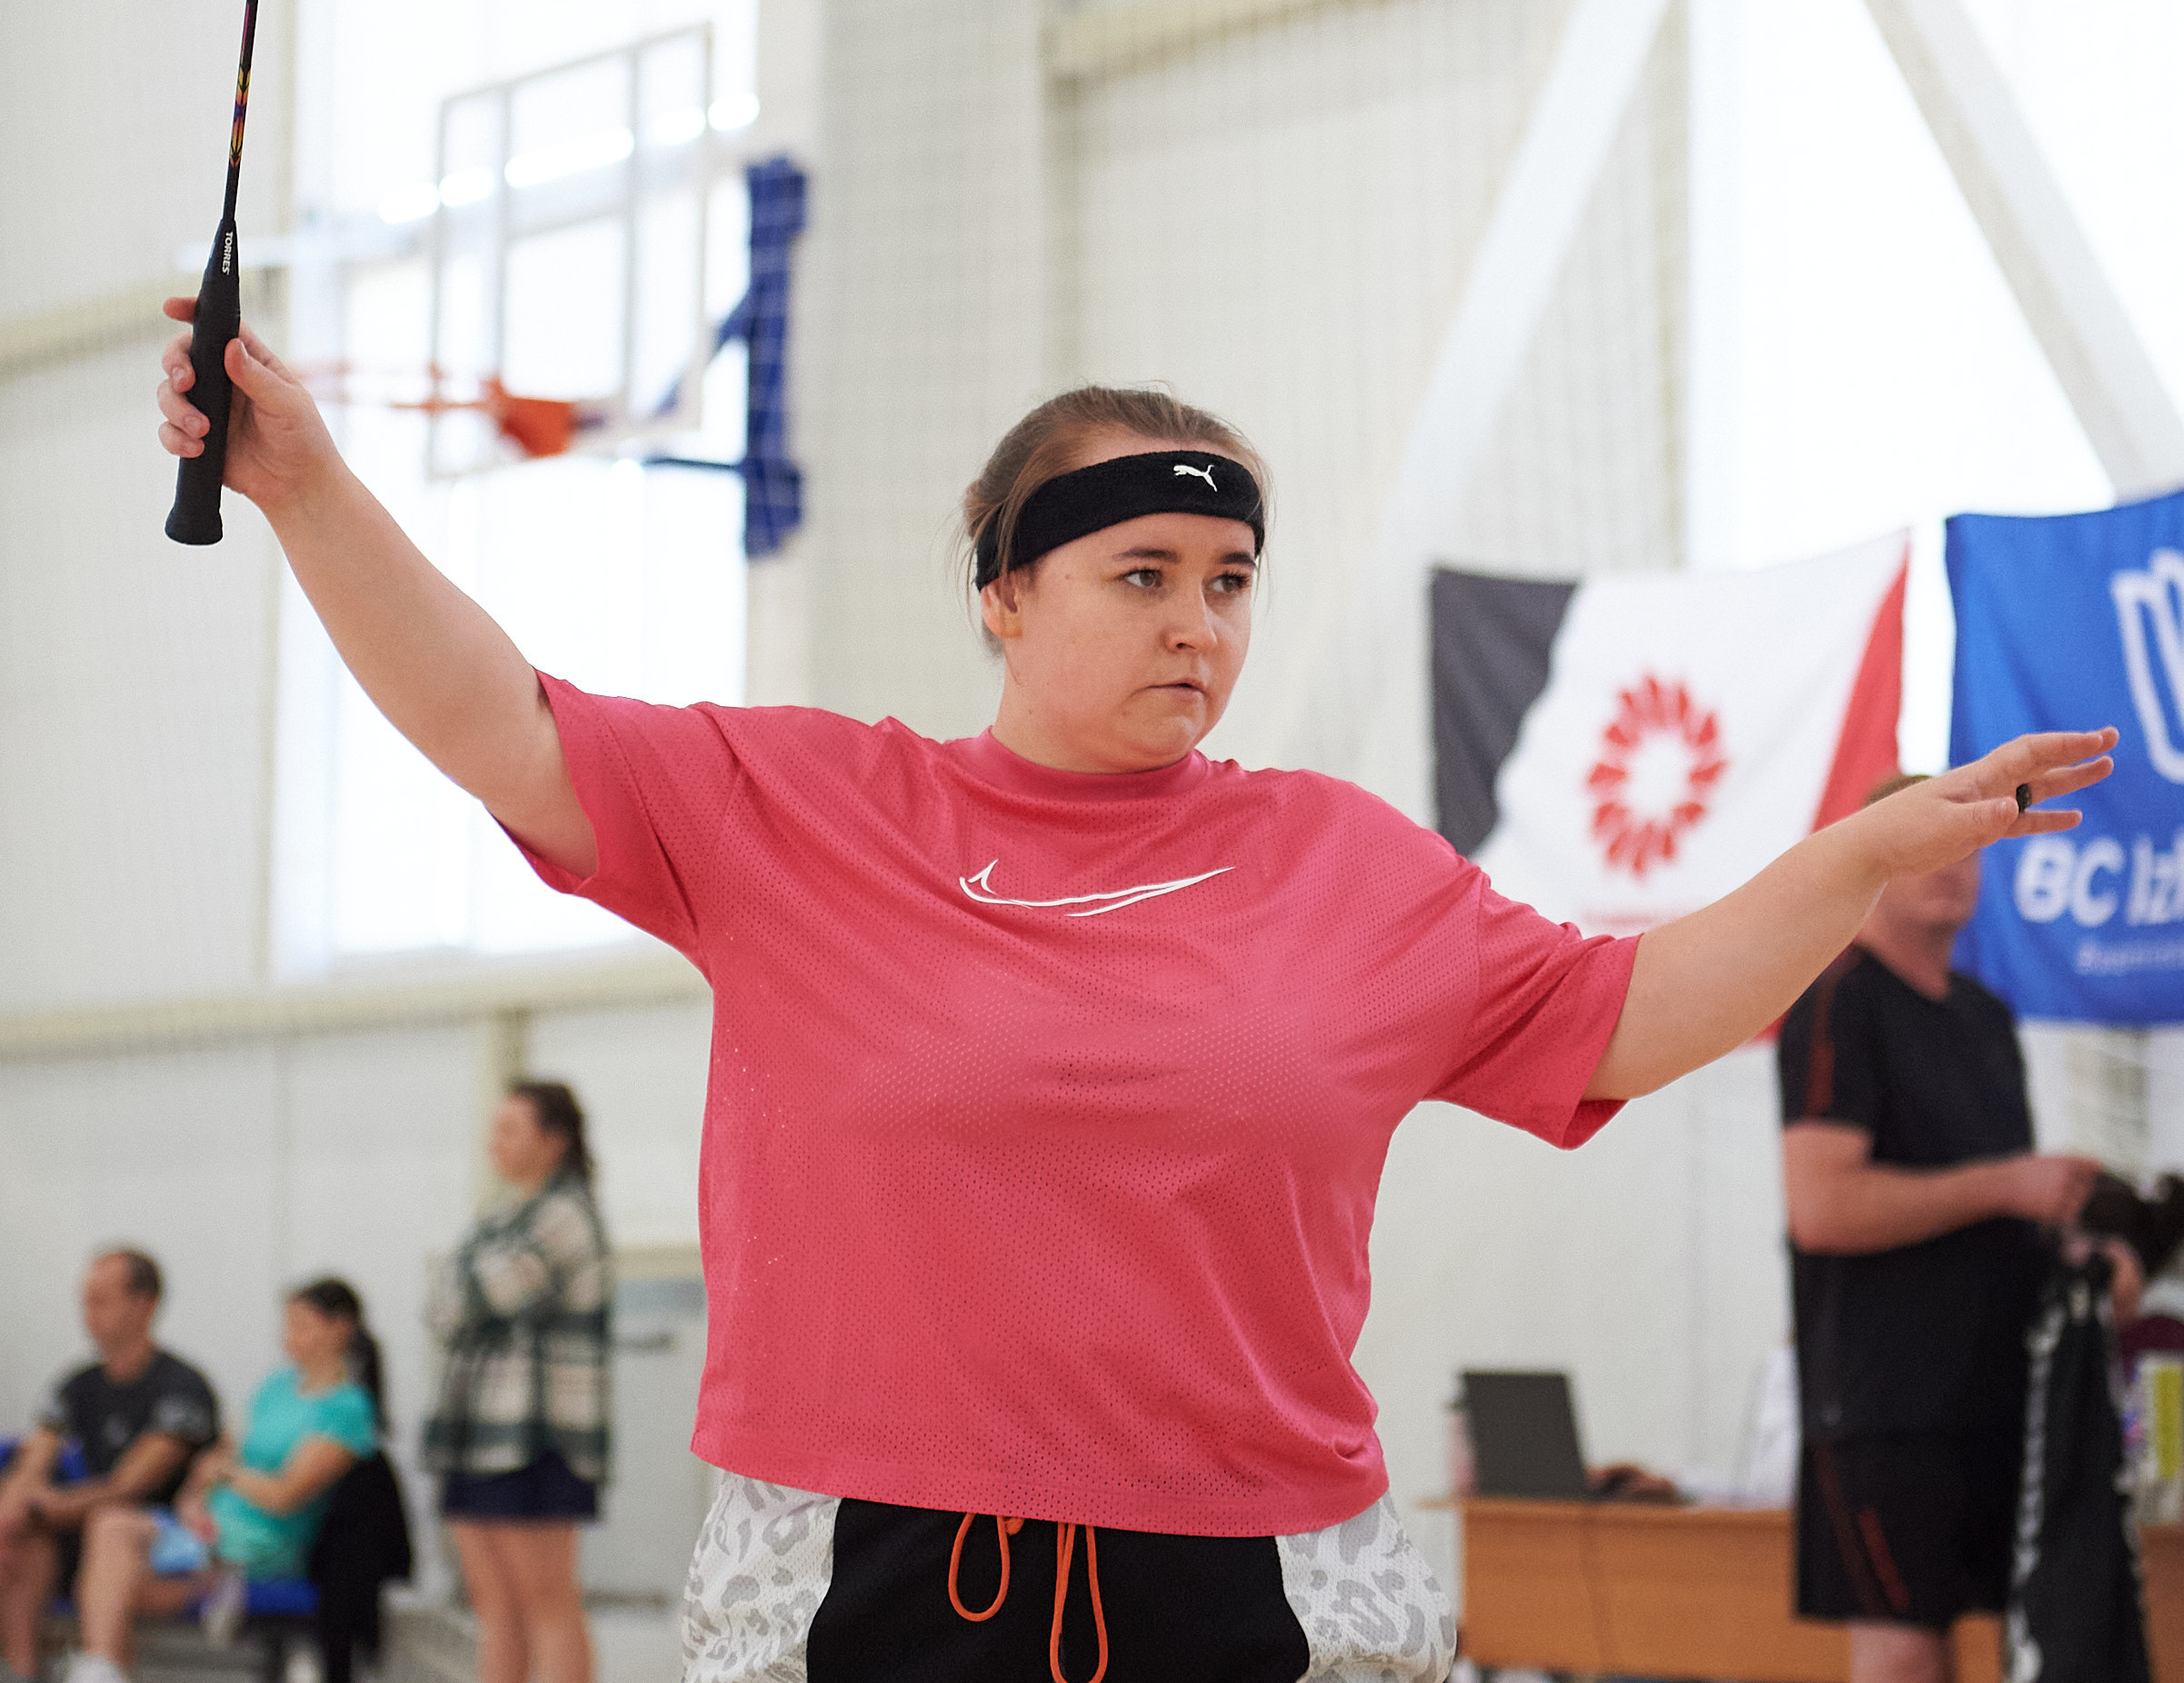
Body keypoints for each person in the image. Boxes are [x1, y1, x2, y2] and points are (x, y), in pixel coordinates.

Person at [155, 311, 2117, 1682]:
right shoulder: (803, 808)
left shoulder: (1346, 862)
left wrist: (1852, 855)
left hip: (1265, 1569)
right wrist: (304, 483)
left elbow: (1625, 1012)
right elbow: (497, 720)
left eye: (1230, 578)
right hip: (866, 1571)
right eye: (1143, 573)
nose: (1199, 621)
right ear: (1005, 596)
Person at [1777, 772, 2143, 1683]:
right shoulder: (1836, 1000)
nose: (1952, 865)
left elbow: (2002, 1215)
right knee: (1905, 1647)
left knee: (2025, 1641)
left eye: (1969, 845)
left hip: (1992, 1396)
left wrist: (2082, 1255)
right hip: (1883, 1410)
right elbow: (1822, 1208)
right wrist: (2006, 1184)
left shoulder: (1984, 1017)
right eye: (1929, 842)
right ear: (1877, 855)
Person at [65, 1280, 381, 1683]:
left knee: (109, 1581)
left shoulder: (347, 1407)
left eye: (303, 1325)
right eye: (287, 1324)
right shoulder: (275, 1386)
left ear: (340, 1328)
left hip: (263, 1545)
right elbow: (216, 1457)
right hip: (207, 1529)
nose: (290, 1336)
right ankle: (103, 1668)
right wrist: (192, 1501)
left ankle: (106, 1663)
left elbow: (285, 1494)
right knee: (109, 1538)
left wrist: (229, 1474)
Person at [424, 1081, 610, 1683]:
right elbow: (439, 1309)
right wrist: (457, 1290)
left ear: (554, 1141)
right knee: (493, 1605)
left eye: (510, 1129)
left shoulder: (566, 1214)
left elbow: (475, 1296)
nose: (494, 1142)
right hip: (474, 1430)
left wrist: (458, 1286)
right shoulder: (499, 1217)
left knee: (546, 1601)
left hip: (537, 1435)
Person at [0, 1250, 218, 1683]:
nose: (88, 1312)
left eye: (101, 1300)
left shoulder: (182, 1387)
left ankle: (100, 1668)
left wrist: (39, 1508)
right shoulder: (77, 1384)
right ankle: (21, 1672)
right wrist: (11, 1518)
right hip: (83, 1531)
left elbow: (130, 1486)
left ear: (144, 1304)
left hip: (165, 1541)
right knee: (27, 1541)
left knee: (109, 1525)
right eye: (85, 1300)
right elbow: (34, 1460)